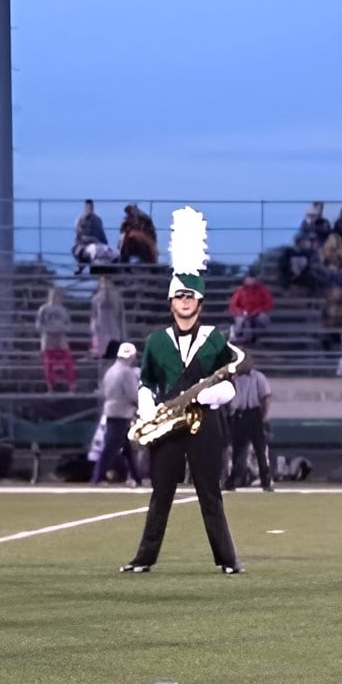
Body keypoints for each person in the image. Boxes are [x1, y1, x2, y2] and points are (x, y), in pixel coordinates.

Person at [121, 207, 243, 574]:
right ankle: (144, 558)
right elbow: (146, 381)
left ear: (200, 303)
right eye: (179, 297)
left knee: (210, 493)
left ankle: (227, 560)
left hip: (205, 423)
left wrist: (214, 395)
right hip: (168, 423)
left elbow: (231, 383)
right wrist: (147, 406)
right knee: (161, 493)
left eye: (191, 297)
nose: (185, 302)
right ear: (171, 302)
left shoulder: (214, 338)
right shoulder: (156, 341)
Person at [92, 343, 143, 486]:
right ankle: (98, 476)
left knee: (127, 448)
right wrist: (142, 405)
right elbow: (133, 393)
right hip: (122, 413)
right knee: (111, 447)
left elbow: (104, 392)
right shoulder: (127, 372)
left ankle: (135, 476)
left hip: (111, 411)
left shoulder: (110, 371)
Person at [225, 358, 273, 492]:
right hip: (239, 415)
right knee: (237, 451)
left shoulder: (258, 377)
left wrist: (264, 416)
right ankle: (233, 480)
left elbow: (266, 397)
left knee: (260, 450)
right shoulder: (234, 379)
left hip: (254, 413)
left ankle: (266, 481)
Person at [36, 287, 76, 391]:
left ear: (60, 297)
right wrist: (49, 330)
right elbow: (38, 325)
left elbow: (69, 325)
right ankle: (50, 386)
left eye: (56, 295)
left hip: (60, 336)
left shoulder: (63, 310)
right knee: (48, 362)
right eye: (52, 295)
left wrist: (61, 330)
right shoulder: (43, 309)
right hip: (48, 337)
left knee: (67, 360)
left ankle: (71, 384)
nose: (54, 297)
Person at [72, 199, 115, 270]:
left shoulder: (82, 219)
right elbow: (102, 235)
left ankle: (80, 266)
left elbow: (78, 235)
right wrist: (105, 244)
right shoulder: (96, 219)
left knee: (76, 250)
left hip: (88, 244)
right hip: (96, 243)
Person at [89, 276, 125, 358]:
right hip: (101, 336)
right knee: (102, 360)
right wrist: (94, 333)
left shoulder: (117, 298)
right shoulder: (96, 299)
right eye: (103, 282)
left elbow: (121, 317)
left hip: (114, 335)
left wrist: (123, 335)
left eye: (107, 282)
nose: (106, 284)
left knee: (114, 358)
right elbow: (93, 317)